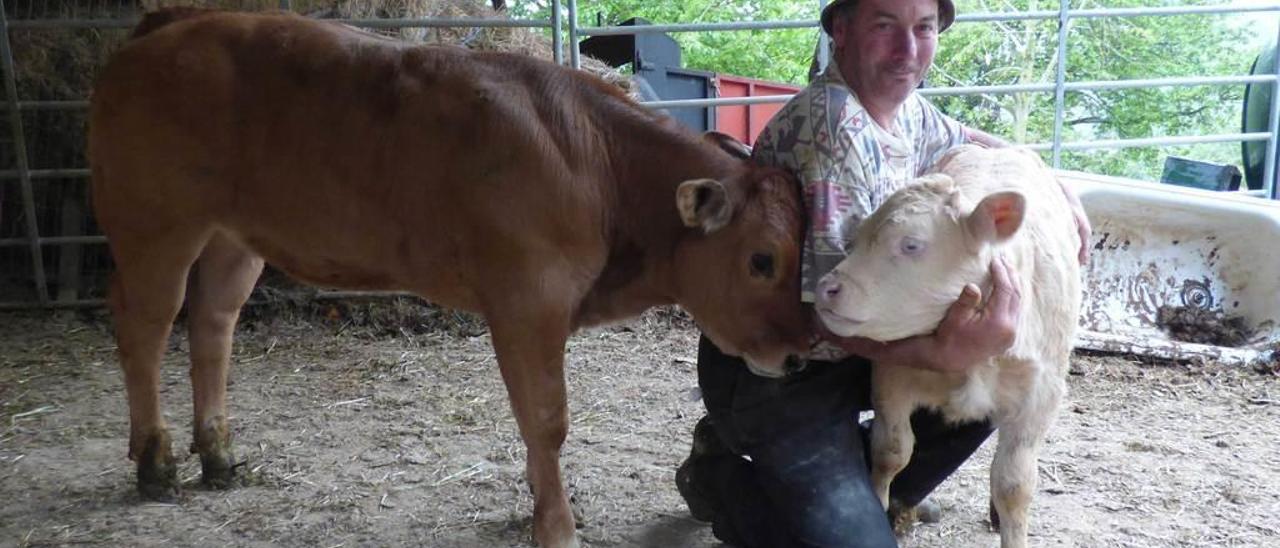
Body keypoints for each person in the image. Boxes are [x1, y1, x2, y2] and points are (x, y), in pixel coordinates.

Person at [674, 0, 1092, 546]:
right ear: (841, 31)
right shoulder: (835, 125)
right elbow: (827, 318)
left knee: (991, 388)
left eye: (923, 28)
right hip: (783, 372)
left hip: (863, 351)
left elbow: (963, 136)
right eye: (885, 26)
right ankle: (721, 477)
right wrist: (946, 354)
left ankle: (867, 480)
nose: (908, 49)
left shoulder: (903, 110)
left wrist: (1049, 179)